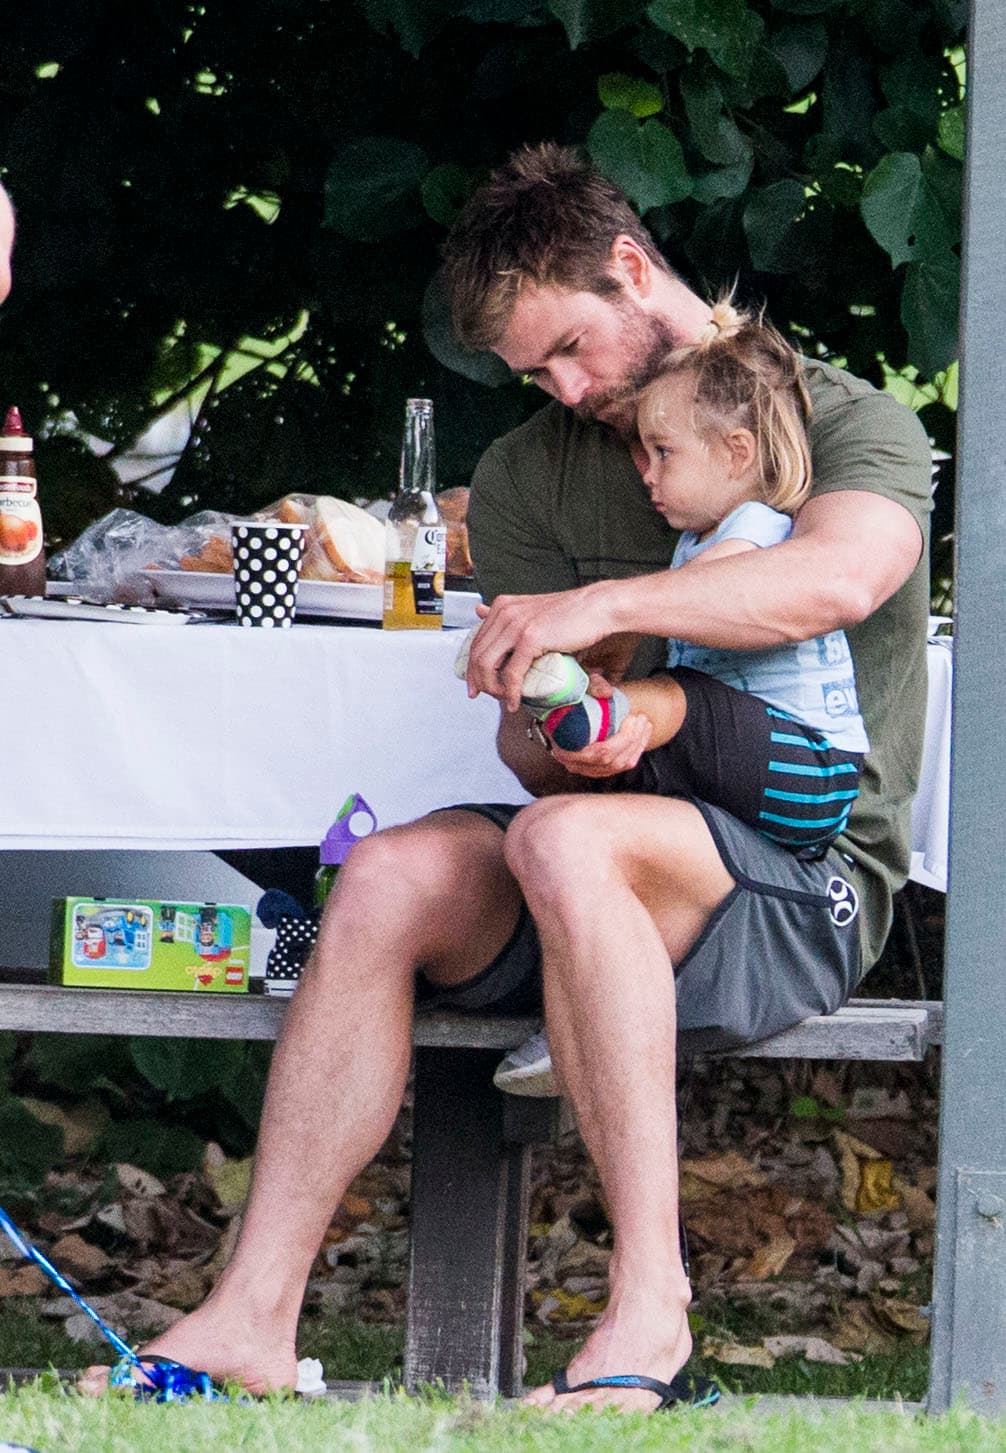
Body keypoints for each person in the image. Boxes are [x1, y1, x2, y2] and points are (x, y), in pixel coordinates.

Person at [82, 143, 931, 1414]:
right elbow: (530, 759)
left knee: (566, 845)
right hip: (594, 863)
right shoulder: (536, 470)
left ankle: (652, 1315)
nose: (563, 387)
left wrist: (603, 604)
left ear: (633, 269)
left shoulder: (837, 416)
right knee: (387, 873)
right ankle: (248, 1319)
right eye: (533, 370)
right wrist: (551, 720)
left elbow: (839, 579)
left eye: (571, 349)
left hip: (799, 875)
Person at [483, 297, 870, 1093]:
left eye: (661, 453)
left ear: (735, 451)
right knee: (615, 777)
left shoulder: (755, 531)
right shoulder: (696, 542)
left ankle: (583, 1023)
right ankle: (589, 1007)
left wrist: (615, 617)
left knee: (675, 703)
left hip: (809, 773)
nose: (646, 474)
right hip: (744, 795)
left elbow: (713, 602)